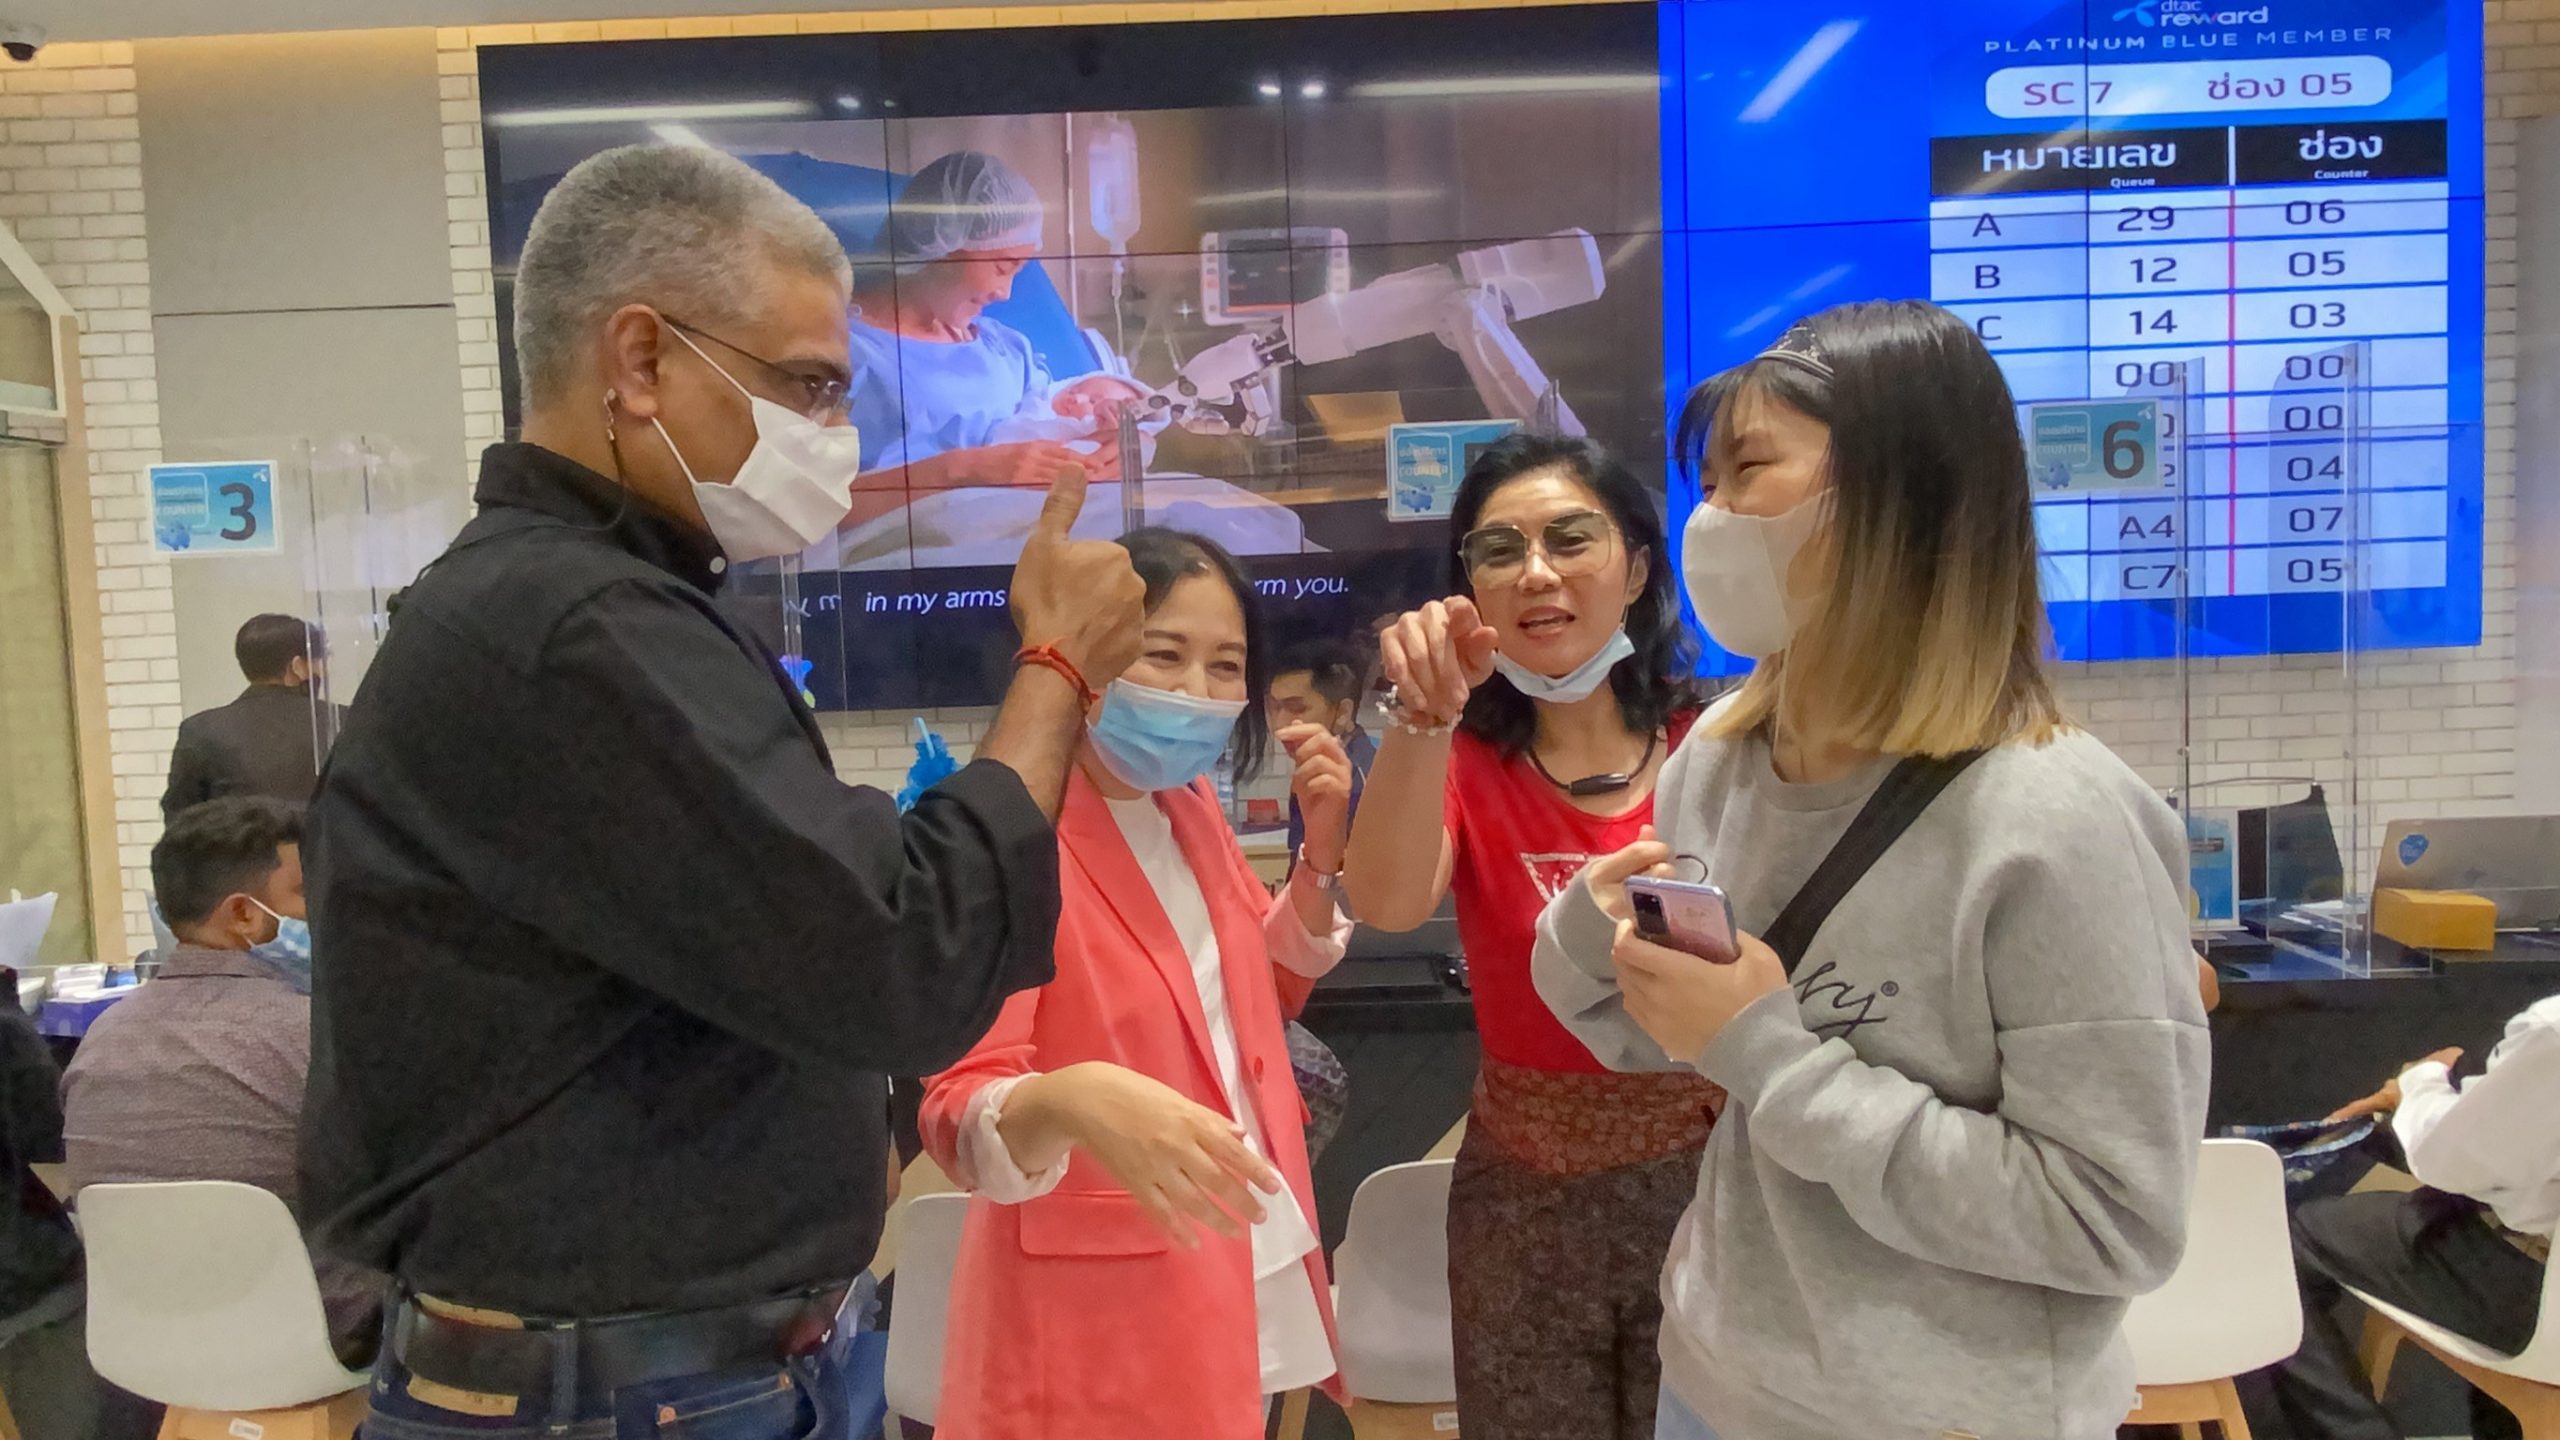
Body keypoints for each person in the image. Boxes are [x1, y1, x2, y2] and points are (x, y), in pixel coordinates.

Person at [299, 143, 1145, 1440]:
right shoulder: (574, 628)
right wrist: (1057, 669)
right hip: (627, 1392)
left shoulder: (610, 606)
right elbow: (900, 954)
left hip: (697, 1372)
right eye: (808, 387)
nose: (834, 436)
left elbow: (786, 934)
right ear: (641, 361)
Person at [1533, 300, 2210, 1440]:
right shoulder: (1720, 760)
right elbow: (1666, 1041)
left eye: (1750, 469)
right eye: (1707, 480)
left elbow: (2111, 1219)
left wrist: (1773, 1056)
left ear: (1903, 494)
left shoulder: (2058, 819)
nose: (1711, 517)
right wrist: (1592, 939)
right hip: (1712, 1373)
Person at [918, 528, 1353, 1440]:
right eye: (1163, 653)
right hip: (1097, 1306)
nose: (1195, 690)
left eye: (1225, 665)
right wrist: (1071, 1100)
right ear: (1094, 649)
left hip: (1238, 1242)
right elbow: (957, 1111)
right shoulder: (1010, 831)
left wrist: (1319, 858)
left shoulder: (1185, 807)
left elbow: (1249, 1003)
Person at [1340, 432, 1716, 1439]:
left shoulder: (1716, 747)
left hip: (1716, 1182)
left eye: (1570, 539)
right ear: (1470, 590)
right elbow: (1385, 901)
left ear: (1636, 568)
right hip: (1523, 1195)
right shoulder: (1455, 755)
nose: (1536, 573)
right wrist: (1421, 717)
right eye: (1498, 550)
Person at [60, 798, 385, 1363]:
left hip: (141, 1343)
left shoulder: (99, 1042)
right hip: (321, 1341)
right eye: (308, 892)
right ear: (243, 915)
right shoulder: (317, 1037)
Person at [2258, 996, 2559, 1440]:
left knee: (2274, 1245)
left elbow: (2452, 1162)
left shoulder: (2553, 1029)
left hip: (2532, 1288)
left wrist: (2419, 1083)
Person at [160, 614, 344, 820]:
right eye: (319, 661)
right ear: (297, 667)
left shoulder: (200, 729)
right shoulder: (341, 721)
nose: (324, 671)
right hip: (325, 841)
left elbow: (180, 818)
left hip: (239, 841)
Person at [1268, 638, 1376, 868]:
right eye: (1274, 707)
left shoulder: (1363, 781)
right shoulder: (1317, 766)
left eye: (1296, 708)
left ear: (1343, 712)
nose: (1280, 725)